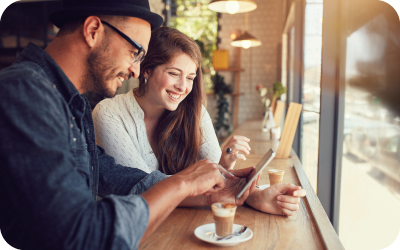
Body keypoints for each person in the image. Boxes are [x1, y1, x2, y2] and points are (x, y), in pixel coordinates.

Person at [0, 1, 264, 249]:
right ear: (93, 31)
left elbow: (120, 178)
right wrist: (181, 184)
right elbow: (81, 233)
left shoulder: (73, 104)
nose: (136, 72)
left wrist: (213, 194)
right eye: (135, 52)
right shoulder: (24, 92)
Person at [92, 27, 306, 214]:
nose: (183, 87)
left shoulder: (194, 111)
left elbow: (218, 179)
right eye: (174, 73)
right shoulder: (108, 113)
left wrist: (255, 195)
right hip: (128, 232)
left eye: (190, 78)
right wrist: (243, 193)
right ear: (146, 70)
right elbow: (144, 189)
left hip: (176, 225)